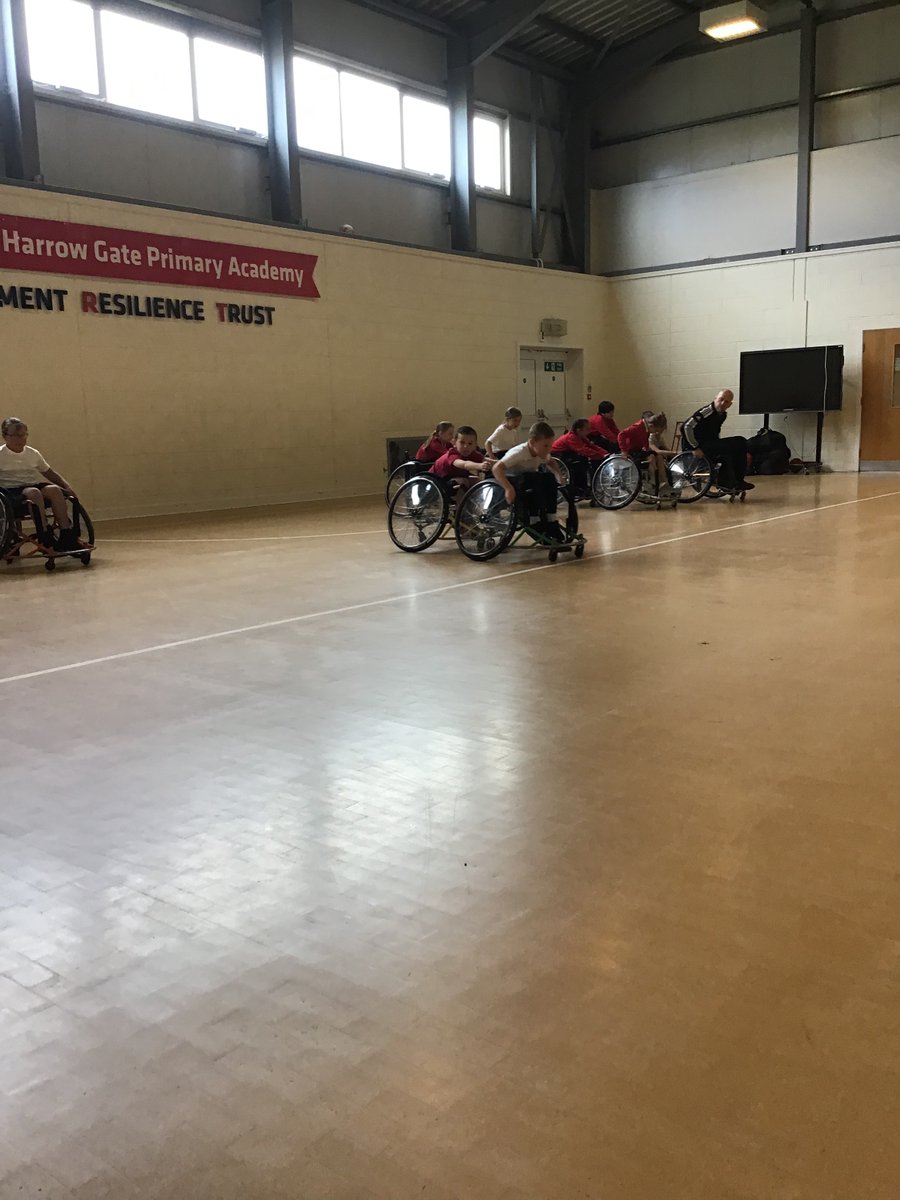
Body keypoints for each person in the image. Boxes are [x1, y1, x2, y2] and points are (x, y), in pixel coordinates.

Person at [0, 417, 79, 549]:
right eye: (15, 436)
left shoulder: (32, 453)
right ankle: (44, 531)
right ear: (5, 436)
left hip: (31, 484)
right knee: (34, 492)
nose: (20, 439)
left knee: (54, 490)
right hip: (10, 491)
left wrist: (67, 487)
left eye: (23, 435)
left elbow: (50, 473)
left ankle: (66, 533)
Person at [492, 421, 566, 541]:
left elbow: (551, 462)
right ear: (532, 442)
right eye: (545, 446)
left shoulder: (541, 452)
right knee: (532, 477)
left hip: (528, 482)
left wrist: (559, 475)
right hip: (510, 481)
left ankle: (551, 519)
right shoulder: (518, 452)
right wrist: (508, 488)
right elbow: (497, 468)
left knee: (548, 478)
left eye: (550, 445)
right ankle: (533, 519)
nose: (549, 449)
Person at [682, 389, 754, 492]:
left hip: (709, 444)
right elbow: (686, 426)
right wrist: (695, 447)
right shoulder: (708, 411)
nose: (723, 403)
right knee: (740, 441)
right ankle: (732, 481)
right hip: (697, 445)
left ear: (730, 405)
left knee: (734, 449)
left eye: (727, 402)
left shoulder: (722, 415)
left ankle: (735, 481)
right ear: (715, 399)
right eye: (721, 399)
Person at [618, 411, 673, 498]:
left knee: (658, 456)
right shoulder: (638, 426)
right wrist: (624, 451)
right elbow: (621, 435)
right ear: (652, 426)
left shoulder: (647, 428)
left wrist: (646, 449)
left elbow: (645, 441)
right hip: (632, 451)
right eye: (656, 430)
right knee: (652, 457)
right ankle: (652, 482)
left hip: (639, 450)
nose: (655, 432)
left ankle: (663, 482)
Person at [551, 419, 608, 497]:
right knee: (580, 462)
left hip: (568, 454)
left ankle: (583, 487)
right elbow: (583, 450)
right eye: (587, 429)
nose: (590, 431)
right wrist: (600, 455)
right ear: (579, 430)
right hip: (558, 455)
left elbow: (591, 446)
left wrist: (605, 453)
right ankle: (579, 489)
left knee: (583, 461)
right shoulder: (571, 437)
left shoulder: (580, 436)